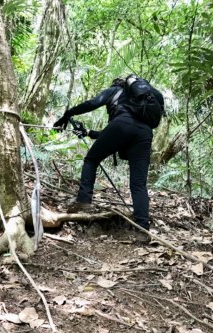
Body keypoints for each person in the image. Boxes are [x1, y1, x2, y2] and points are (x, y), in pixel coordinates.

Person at [54, 75, 161, 233]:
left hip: (120, 126)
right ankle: (142, 227)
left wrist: (69, 113)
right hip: (145, 133)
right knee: (139, 184)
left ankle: (84, 201)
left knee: (91, 160)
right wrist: (88, 133)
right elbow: (122, 130)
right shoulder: (140, 101)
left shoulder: (116, 91)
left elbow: (93, 104)